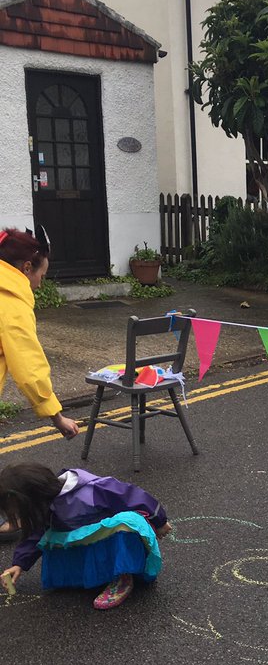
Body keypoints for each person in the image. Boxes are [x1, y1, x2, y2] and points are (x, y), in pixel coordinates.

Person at [0, 464, 171, 610]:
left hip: (111, 543)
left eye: (18, 513)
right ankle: (91, 574)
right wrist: (19, 563)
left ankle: (123, 577)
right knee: (50, 536)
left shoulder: (91, 490)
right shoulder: (46, 505)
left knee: (126, 523)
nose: (18, 518)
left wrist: (159, 520)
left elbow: (131, 496)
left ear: (32, 499)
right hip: (88, 543)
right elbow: (36, 534)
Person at [0, 227, 79, 541]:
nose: (40, 284)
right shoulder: (10, 300)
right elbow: (29, 367)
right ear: (26, 268)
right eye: (41, 276)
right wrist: (56, 416)